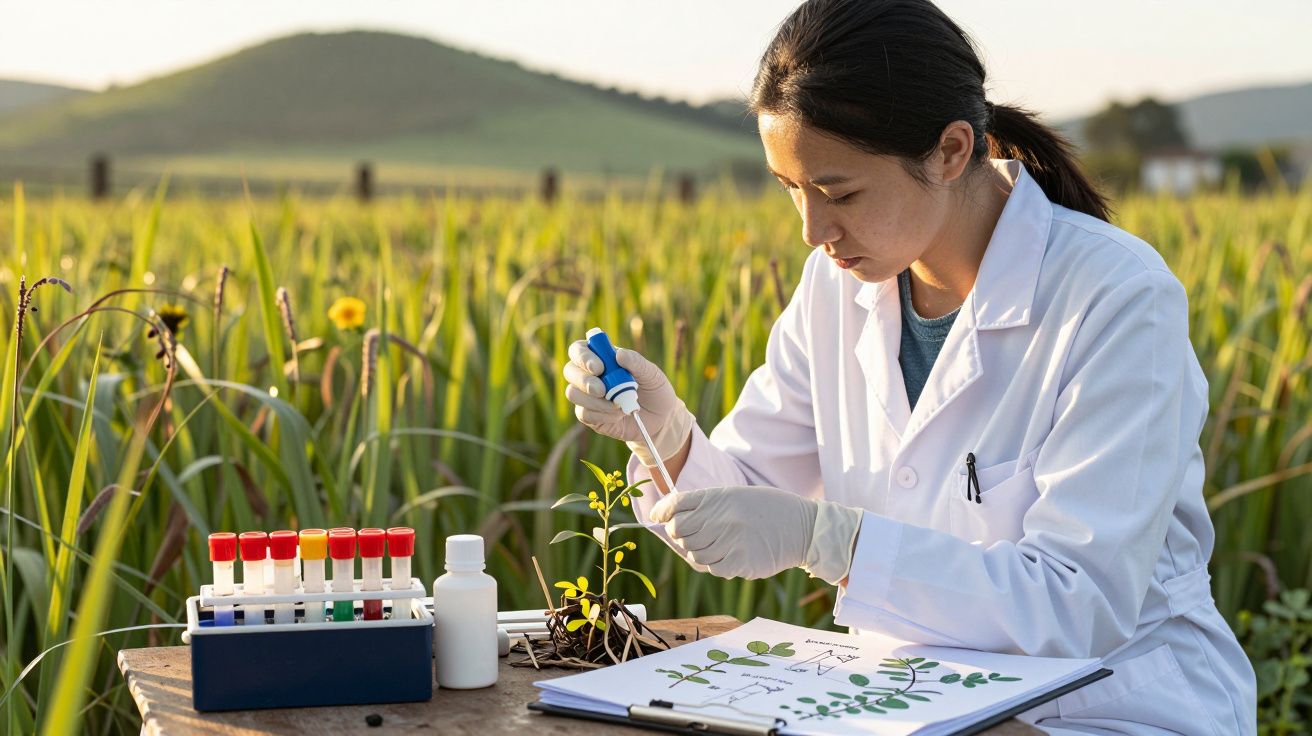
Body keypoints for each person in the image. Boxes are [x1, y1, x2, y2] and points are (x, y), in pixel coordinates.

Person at [562, 0, 1256, 732]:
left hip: (1109, 711)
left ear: (951, 151)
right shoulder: (836, 288)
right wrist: (666, 437)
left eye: (839, 192)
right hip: (913, 701)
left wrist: (832, 540)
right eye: (791, 189)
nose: (813, 231)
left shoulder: (1116, 298)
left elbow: (1077, 604)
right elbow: (740, 511)